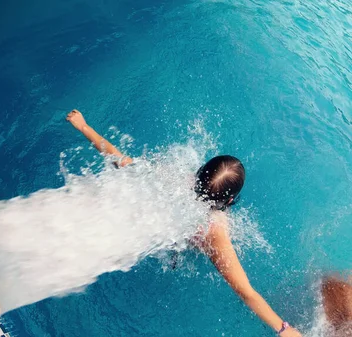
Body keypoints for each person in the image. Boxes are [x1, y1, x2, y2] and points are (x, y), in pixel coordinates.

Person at [67, 109, 302, 337]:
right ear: (230, 200)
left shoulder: (172, 177)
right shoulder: (216, 232)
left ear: (199, 172)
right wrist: (283, 329)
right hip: (181, 242)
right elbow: (246, 291)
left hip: (159, 230)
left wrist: (84, 126)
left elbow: (120, 160)